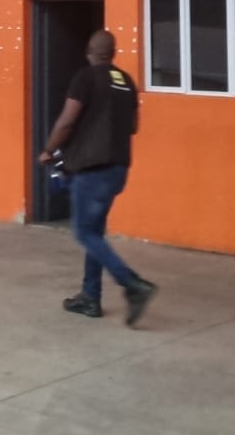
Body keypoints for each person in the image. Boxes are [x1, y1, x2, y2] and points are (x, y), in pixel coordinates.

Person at [38, 29, 157, 326]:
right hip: (118, 168)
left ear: (90, 52)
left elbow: (67, 122)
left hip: (92, 169)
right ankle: (90, 297)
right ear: (113, 53)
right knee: (94, 233)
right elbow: (133, 127)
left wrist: (49, 150)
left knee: (84, 232)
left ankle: (132, 284)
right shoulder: (126, 81)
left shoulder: (86, 77)